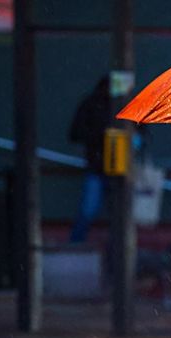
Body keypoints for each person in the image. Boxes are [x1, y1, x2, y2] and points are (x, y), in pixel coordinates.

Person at [69, 76, 111, 242]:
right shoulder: (93, 105)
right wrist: (100, 137)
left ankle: (77, 245)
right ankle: (76, 244)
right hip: (99, 166)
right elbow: (75, 133)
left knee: (115, 212)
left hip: (109, 166)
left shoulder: (121, 105)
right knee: (89, 210)